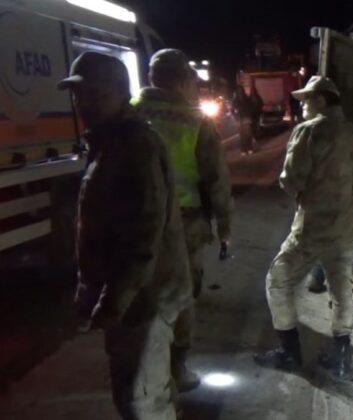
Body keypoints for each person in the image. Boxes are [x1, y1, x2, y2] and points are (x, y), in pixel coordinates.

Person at [61, 52, 191, 420]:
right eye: (78, 95)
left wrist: (111, 303)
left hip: (145, 300)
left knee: (141, 402)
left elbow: (142, 237)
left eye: (95, 94)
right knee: (147, 391)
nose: (83, 104)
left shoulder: (135, 145)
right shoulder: (109, 141)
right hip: (136, 298)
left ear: (121, 93)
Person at [253, 75, 353, 378]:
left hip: (313, 228)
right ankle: (341, 359)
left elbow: (291, 179)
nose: (302, 103)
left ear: (321, 100)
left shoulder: (308, 132)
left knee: (278, 281)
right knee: (341, 288)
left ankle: (289, 353)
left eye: (306, 98)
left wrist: (305, 194)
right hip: (348, 227)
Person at [131, 49, 233, 392]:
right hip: (182, 224)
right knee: (180, 293)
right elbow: (216, 180)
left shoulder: (127, 114)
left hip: (132, 224)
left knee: (137, 290)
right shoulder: (195, 120)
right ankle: (177, 368)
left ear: (151, 77)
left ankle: (140, 368)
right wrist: (225, 229)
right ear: (183, 81)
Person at [232, 71, 263, 155]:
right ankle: (248, 149)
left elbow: (233, 107)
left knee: (243, 134)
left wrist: (235, 115)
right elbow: (255, 104)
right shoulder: (246, 95)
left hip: (242, 117)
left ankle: (244, 149)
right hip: (245, 117)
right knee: (246, 133)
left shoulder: (238, 96)